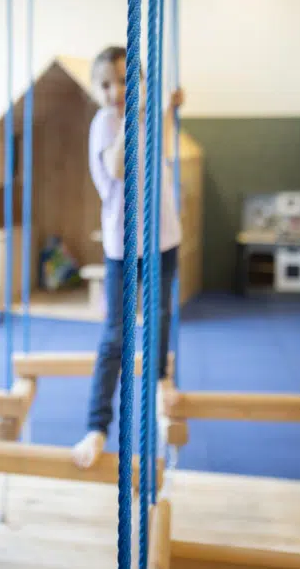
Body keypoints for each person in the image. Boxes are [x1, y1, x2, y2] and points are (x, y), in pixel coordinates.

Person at [72, 45, 183, 469]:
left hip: (163, 236)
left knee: (161, 314)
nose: (115, 91)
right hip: (123, 243)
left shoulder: (145, 114)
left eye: (123, 81)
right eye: (105, 84)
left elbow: (163, 148)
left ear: (138, 82)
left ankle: (157, 379)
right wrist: (133, 115)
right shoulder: (105, 123)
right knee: (115, 336)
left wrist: (166, 109)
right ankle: (97, 425)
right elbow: (118, 168)